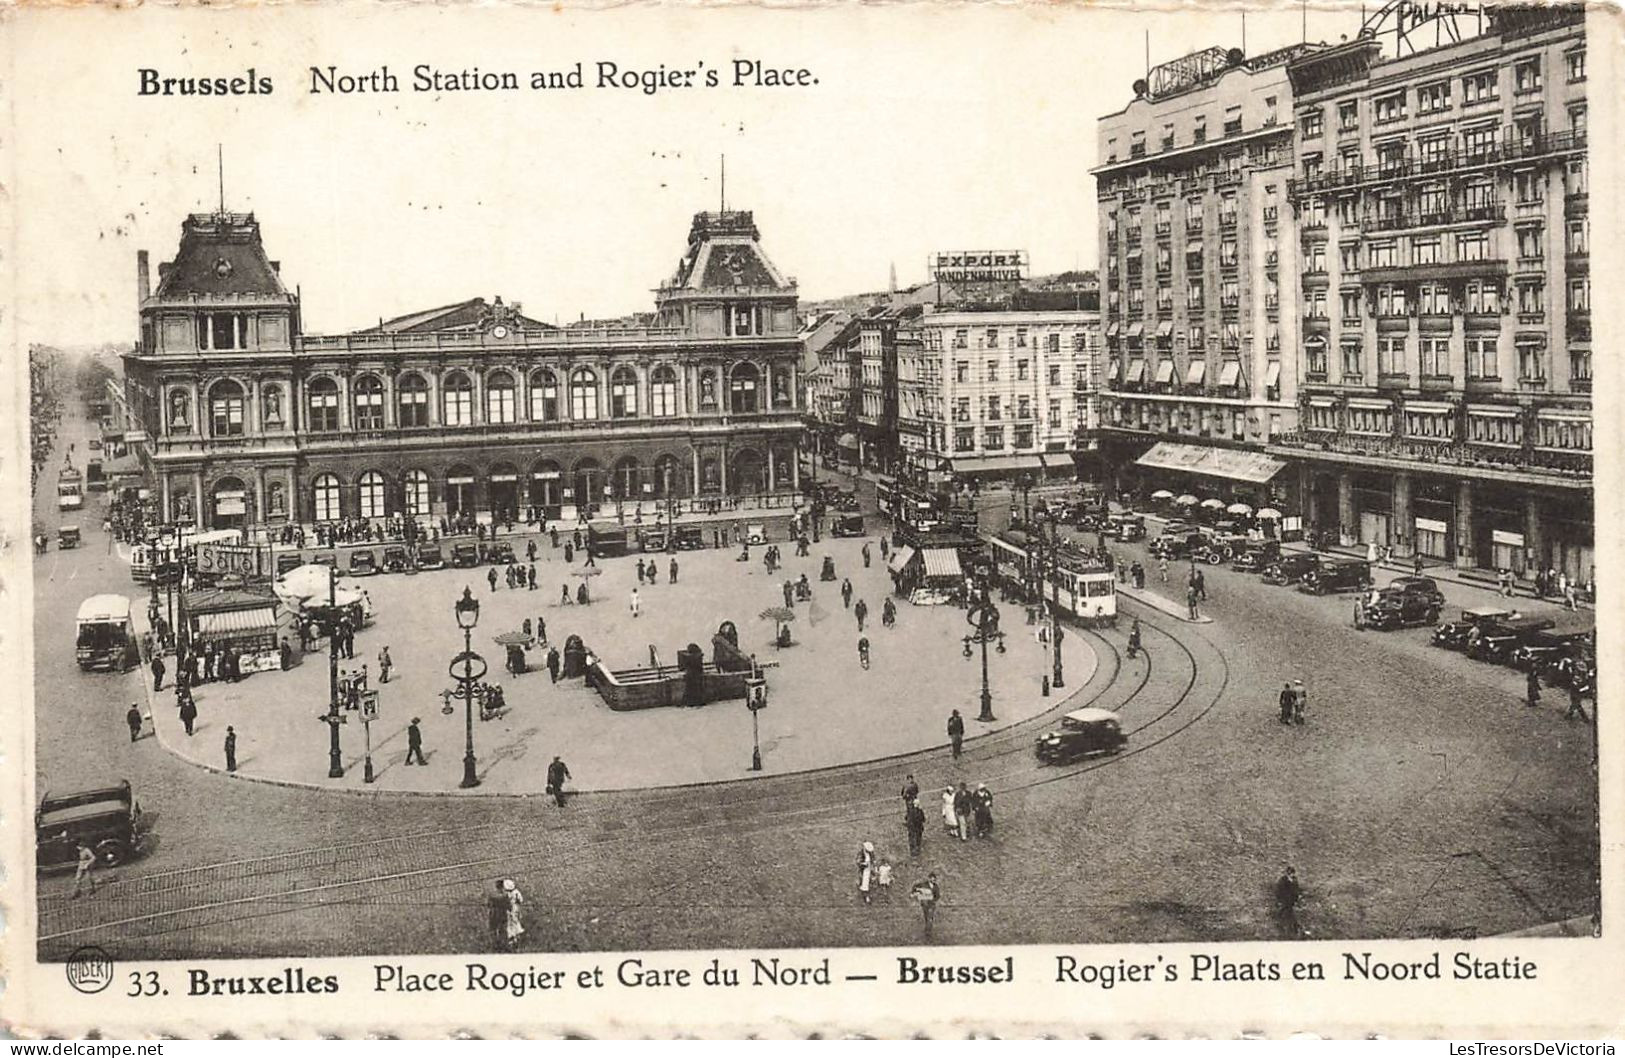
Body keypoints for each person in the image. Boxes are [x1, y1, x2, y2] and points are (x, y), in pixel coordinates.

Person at [1274, 866, 1303, 937]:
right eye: (1290, 873)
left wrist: (1298, 896)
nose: (1291, 875)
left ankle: (1292, 928)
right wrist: (1280, 899)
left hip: (1291, 900)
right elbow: (1279, 890)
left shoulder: (1294, 880)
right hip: (1285, 899)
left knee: (1289, 912)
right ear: (1287, 873)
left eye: (1292, 873)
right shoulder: (1283, 880)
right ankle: (1291, 927)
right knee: (1287, 912)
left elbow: (1296, 889)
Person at [911, 872, 941, 938]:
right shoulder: (923, 884)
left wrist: (933, 899)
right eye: (932, 879)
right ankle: (927, 929)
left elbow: (938, 895)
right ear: (929, 878)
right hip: (924, 904)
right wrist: (914, 893)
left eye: (934, 879)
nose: (933, 880)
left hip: (932, 904)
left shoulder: (936, 886)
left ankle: (928, 931)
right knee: (926, 917)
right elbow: (915, 887)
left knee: (930, 917)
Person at [500, 879, 526, 952]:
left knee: (512, 922)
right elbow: (521, 900)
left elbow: (507, 902)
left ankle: (513, 936)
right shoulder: (516, 892)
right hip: (514, 909)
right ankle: (514, 936)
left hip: (511, 909)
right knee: (514, 921)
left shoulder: (509, 894)